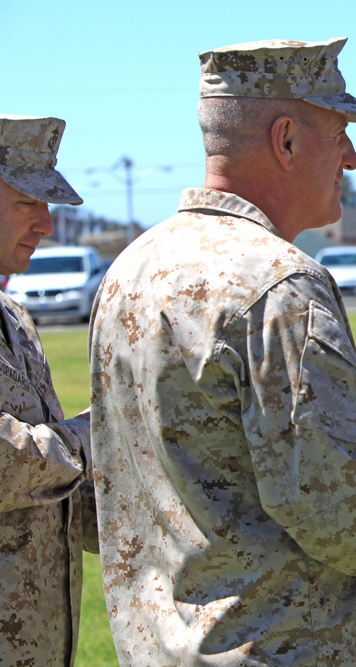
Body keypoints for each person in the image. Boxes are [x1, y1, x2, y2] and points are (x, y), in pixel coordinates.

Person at [89, 38, 356, 666]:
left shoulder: (131, 271)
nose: (351, 157)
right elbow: (337, 504)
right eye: (340, 132)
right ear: (287, 140)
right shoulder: (278, 284)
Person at [0, 114, 97, 665]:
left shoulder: (14, 316)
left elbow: (57, 490)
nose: (46, 225)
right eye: (27, 203)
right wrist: (98, 429)